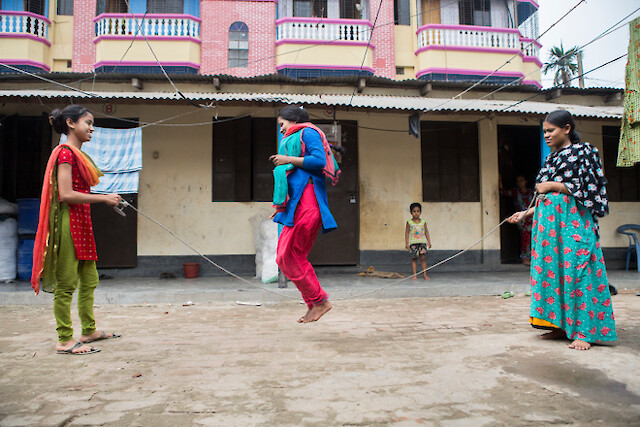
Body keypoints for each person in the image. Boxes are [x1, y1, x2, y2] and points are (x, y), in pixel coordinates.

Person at [507, 110, 616, 350]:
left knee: (579, 272)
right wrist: (526, 212)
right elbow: (546, 198)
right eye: (544, 131)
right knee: (552, 274)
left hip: (573, 224)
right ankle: (560, 326)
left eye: (550, 130)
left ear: (567, 129)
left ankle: (584, 332)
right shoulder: (551, 158)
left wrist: (553, 184)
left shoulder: (585, 152)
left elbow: (590, 188)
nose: (546, 135)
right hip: (548, 229)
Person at [31, 105, 122, 355]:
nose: (92, 128)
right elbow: (66, 194)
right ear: (71, 123)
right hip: (67, 223)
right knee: (67, 283)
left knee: (90, 280)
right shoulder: (65, 154)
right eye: (88, 122)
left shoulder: (78, 154)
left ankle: (89, 330)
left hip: (82, 223)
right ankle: (64, 339)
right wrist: (104, 199)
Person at [270, 105, 337, 323]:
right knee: (284, 258)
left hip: (309, 203)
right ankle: (314, 303)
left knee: (289, 256)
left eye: (282, 124)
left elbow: (318, 161)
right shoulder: (291, 139)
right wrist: (281, 209)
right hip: (296, 206)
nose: (281, 130)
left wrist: (288, 159)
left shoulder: (308, 132)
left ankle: (320, 302)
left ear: (293, 119)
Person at [500, 175, 535, 265]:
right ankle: (525, 258)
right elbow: (503, 192)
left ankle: (532, 257)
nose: (519, 183)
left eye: (521, 180)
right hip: (521, 219)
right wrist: (499, 180)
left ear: (526, 181)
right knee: (525, 237)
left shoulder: (532, 192)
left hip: (532, 217)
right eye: (518, 181)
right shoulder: (516, 192)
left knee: (533, 237)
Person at [405, 202, 432, 280]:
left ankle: (424, 274)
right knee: (414, 258)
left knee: (423, 258)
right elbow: (407, 233)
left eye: (418, 211)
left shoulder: (423, 222)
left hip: (422, 243)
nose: (416, 213)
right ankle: (414, 275)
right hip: (413, 243)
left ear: (420, 212)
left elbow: (426, 232)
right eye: (414, 211)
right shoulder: (409, 222)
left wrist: (429, 242)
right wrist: (407, 243)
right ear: (411, 212)